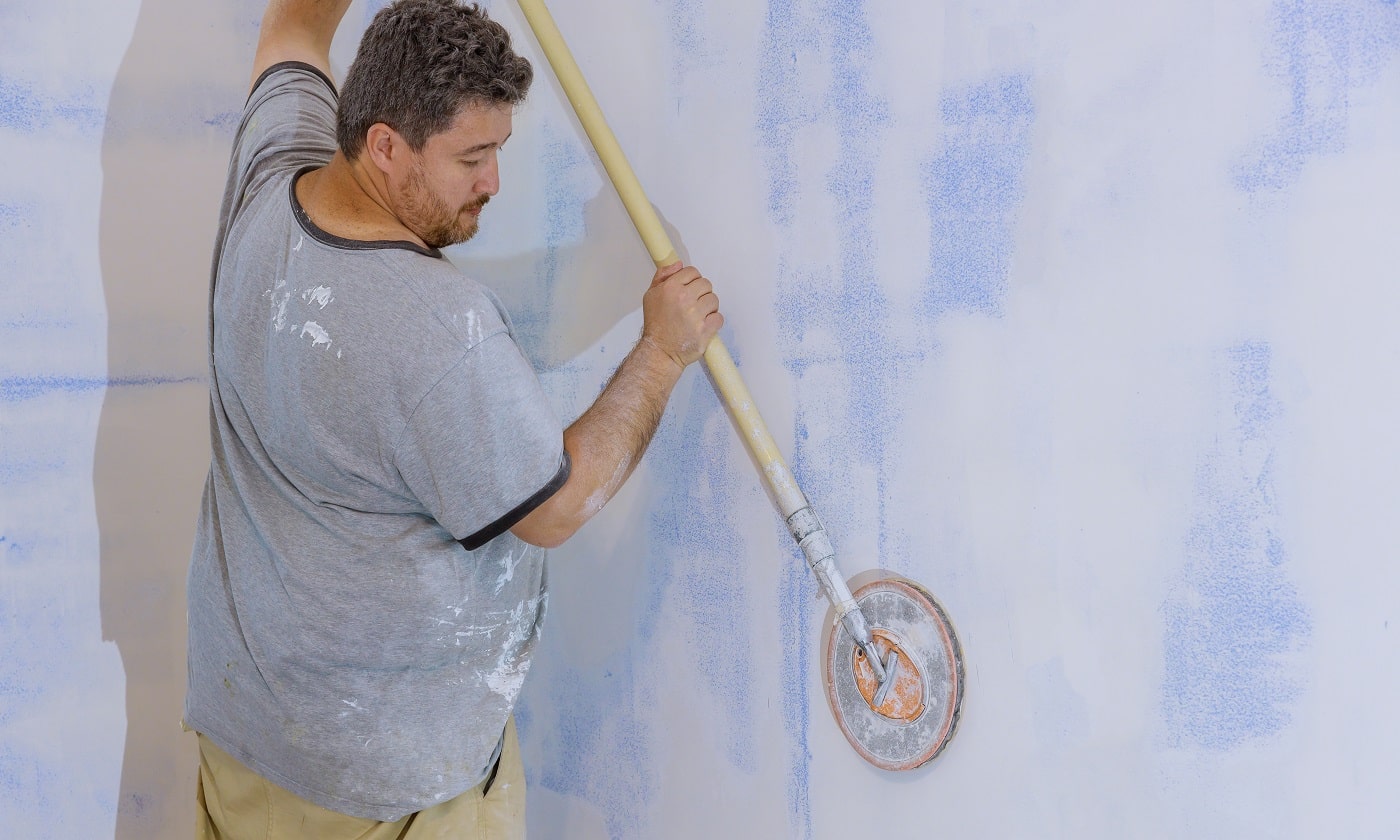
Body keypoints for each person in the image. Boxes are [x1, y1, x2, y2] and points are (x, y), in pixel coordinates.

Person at [183, 0, 722, 836]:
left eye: (499, 150)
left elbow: (292, 28)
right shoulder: (438, 328)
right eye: (472, 157)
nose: (494, 183)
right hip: (385, 794)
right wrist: (661, 350)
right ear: (387, 145)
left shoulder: (271, 174)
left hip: (246, 743)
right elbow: (555, 505)